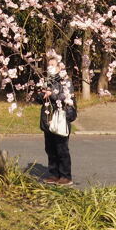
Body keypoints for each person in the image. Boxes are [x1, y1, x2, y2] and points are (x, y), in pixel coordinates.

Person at [38, 52, 76, 185]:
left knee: (61, 148)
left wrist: (52, 94)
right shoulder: (46, 81)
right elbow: (40, 99)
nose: (50, 68)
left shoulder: (66, 82)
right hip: (47, 117)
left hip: (60, 118)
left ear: (60, 67)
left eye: (53, 65)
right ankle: (53, 174)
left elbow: (67, 97)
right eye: (49, 65)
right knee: (50, 148)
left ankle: (66, 175)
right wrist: (40, 94)